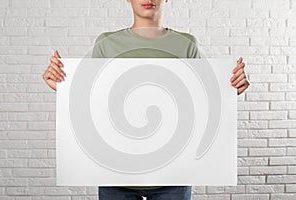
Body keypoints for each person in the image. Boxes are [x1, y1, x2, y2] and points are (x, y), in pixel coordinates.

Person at [42, 0, 250, 199]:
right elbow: (91, 99)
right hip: (114, 176)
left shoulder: (186, 44)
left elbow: (206, 98)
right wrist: (62, 86)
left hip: (174, 176)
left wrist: (231, 88)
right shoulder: (106, 43)